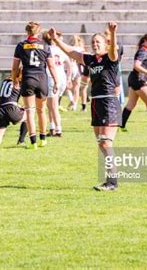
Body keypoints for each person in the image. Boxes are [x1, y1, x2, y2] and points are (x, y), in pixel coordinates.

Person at [50, 22, 121, 191]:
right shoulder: (90, 59)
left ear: (105, 44)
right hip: (96, 102)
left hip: (109, 102)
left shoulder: (110, 57)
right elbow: (71, 52)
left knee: (105, 143)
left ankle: (113, 181)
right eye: (93, 42)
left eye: (99, 42)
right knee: (101, 143)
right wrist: (56, 40)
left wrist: (112, 32)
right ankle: (111, 178)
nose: (95, 44)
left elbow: (113, 51)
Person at [11, 21, 58, 149]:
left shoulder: (21, 46)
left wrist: (14, 79)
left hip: (28, 79)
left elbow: (15, 67)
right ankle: (43, 139)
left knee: (29, 112)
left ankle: (33, 142)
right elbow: (52, 66)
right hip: (42, 79)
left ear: (27, 32)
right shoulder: (45, 46)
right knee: (41, 111)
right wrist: (56, 81)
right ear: (38, 32)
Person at [0, 71, 28, 148]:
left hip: (0, 109)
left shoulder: (5, 81)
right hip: (11, 109)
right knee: (29, 115)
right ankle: (21, 141)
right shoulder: (18, 83)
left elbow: (7, 99)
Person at [43, 30, 72, 137]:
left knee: (53, 105)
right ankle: (52, 128)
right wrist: (68, 78)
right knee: (51, 105)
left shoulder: (47, 49)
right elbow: (69, 65)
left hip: (52, 78)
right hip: (61, 79)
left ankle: (58, 129)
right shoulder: (61, 50)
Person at [65, 35, 84, 111]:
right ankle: (75, 105)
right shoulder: (80, 49)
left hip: (69, 68)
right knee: (76, 88)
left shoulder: (68, 48)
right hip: (77, 68)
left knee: (68, 87)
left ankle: (71, 99)